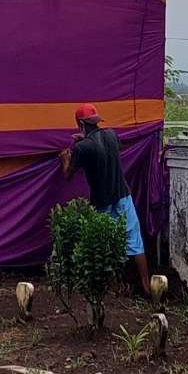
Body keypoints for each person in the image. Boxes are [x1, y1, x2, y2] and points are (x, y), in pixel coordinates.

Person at [60, 103, 151, 296]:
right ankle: (146, 286)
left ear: (80, 124)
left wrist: (66, 159)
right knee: (135, 242)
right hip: (123, 195)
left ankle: (110, 286)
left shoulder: (82, 148)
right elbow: (104, 147)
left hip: (102, 201)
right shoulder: (111, 134)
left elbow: (68, 175)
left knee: (103, 243)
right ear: (97, 121)